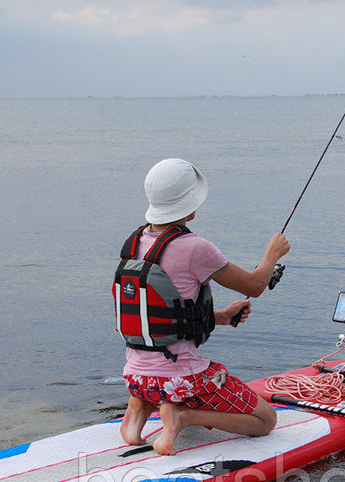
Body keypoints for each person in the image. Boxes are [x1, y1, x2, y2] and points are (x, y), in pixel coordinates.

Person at [117, 158, 290, 455]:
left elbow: (156, 313)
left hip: (135, 376)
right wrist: (272, 254)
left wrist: (219, 317)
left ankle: (137, 411)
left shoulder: (134, 242)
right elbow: (255, 285)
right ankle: (182, 417)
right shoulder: (196, 247)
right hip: (179, 380)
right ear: (189, 202)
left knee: (158, 381)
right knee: (265, 420)